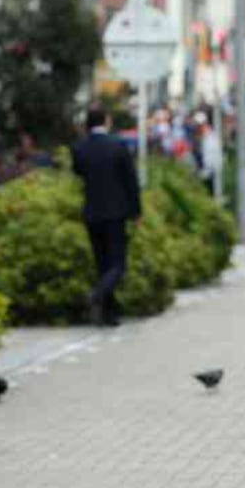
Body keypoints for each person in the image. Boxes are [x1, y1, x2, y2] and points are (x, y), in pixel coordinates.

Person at [71, 107, 141, 327]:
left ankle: (109, 315)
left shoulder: (80, 148)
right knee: (117, 264)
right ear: (106, 121)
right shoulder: (118, 146)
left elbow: (78, 172)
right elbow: (131, 180)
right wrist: (136, 211)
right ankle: (97, 294)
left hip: (92, 212)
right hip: (116, 213)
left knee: (102, 264)